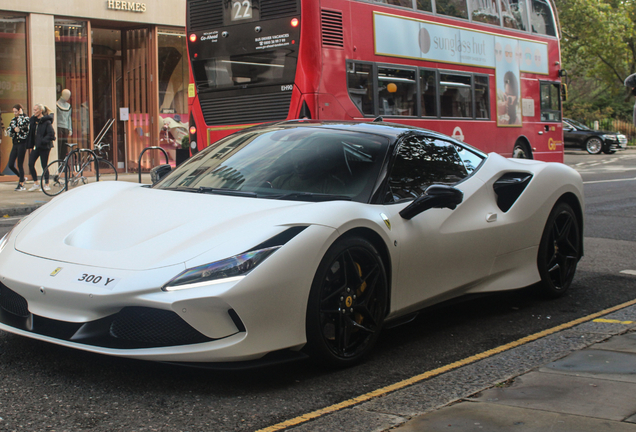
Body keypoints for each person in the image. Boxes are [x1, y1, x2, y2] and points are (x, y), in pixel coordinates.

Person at [26, 104, 56, 192]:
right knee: (30, 163)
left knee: (44, 165)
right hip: (36, 146)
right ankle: (36, 183)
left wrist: (42, 141)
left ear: (40, 111)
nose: (34, 112)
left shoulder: (46, 122)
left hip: (44, 147)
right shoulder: (33, 121)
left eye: (35, 110)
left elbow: (51, 134)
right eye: (33, 110)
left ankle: (47, 184)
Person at [6, 104, 30, 191]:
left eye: (16, 111)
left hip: (22, 143)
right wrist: (14, 129)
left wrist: (20, 115)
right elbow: (9, 130)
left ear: (20, 110)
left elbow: (23, 126)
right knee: (11, 164)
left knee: (20, 163)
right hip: (15, 143)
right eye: (14, 112)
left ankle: (21, 184)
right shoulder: (13, 120)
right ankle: (21, 177)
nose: (15, 113)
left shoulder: (26, 118)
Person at [56, 89, 72, 159]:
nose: (68, 97)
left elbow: (69, 118)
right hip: (58, 127)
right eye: (67, 95)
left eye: (69, 95)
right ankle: (59, 161)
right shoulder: (56, 104)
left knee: (64, 146)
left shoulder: (69, 106)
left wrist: (70, 128)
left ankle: (62, 161)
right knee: (59, 145)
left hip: (66, 127)